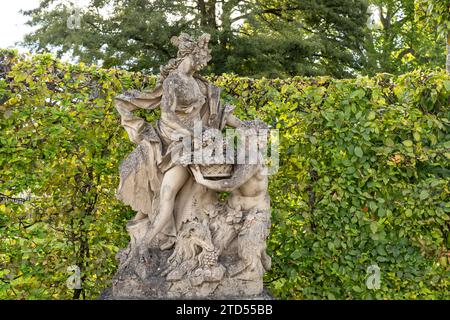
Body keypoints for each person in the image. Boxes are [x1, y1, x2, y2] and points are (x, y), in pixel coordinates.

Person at [115, 33, 243, 254]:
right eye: (200, 57)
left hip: (192, 145)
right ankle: (145, 242)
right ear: (190, 55)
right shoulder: (173, 81)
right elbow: (167, 116)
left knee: (170, 194)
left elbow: (220, 111)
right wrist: (192, 135)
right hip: (175, 141)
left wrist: (244, 125)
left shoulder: (200, 84)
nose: (202, 63)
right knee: (163, 194)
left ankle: (150, 242)